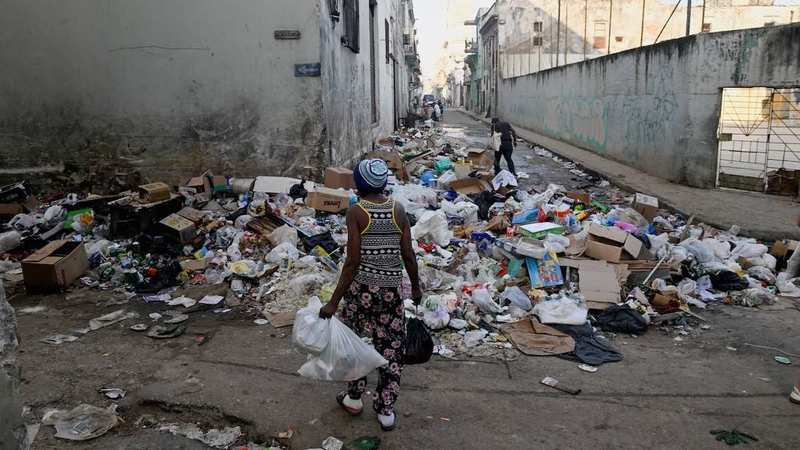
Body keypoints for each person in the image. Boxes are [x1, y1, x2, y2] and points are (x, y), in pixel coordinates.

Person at [319, 159, 423, 432]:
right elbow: (408, 255)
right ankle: (386, 410)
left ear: (360, 184)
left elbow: (352, 262)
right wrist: (416, 286)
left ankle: (354, 398)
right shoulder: (398, 211)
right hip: (390, 292)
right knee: (391, 349)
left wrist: (333, 301)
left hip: (361, 293)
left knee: (358, 345)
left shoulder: (356, 212)